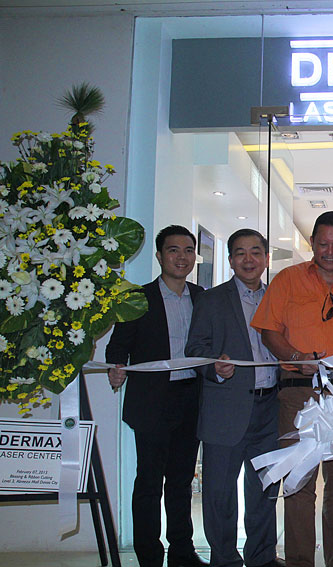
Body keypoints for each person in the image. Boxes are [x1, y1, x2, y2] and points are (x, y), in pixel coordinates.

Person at [251, 211, 333, 567]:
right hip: (298, 392)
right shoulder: (287, 280)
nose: (329, 251)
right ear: (312, 243)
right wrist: (294, 356)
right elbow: (268, 330)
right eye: (323, 244)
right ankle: (298, 561)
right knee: (299, 481)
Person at [106, 225, 208, 567]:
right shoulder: (137, 298)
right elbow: (117, 347)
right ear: (159, 255)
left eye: (188, 250)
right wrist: (116, 367)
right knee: (149, 481)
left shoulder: (202, 297)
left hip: (191, 398)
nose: (182, 257)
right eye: (173, 250)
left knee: (181, 481)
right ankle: (149, 555)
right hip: (152, 401)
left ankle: (182, 551)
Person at [185, 229, 285, 567]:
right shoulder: (212, 300)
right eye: (240, 253)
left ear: (266, 259)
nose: (248, 259)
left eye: (256, 252)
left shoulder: (278, 298)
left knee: (264, 490)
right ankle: (225, 558)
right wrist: (215, 367)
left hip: (270, 409)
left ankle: (262, 557)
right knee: (219, 492)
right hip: (225, 408)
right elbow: (194, 349)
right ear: (230, 260)